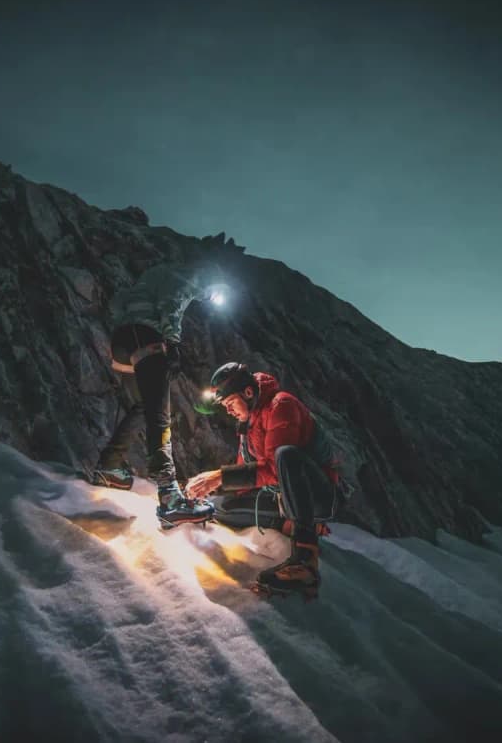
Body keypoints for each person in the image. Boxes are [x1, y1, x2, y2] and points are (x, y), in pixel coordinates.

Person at [90, 255, 232, 529]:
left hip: (122, 342)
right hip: (147, 338)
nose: (209, 296)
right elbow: (174, 301)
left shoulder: (154, 275)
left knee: (144, 406)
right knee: (160, 415)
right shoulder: (190, 273)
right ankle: (169, 497)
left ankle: (109, 466)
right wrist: (172, 341)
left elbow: (118, 302)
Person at [186, 362, 347, 599]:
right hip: (282, 496)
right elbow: (246, 473)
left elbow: (274, 469)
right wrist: (209, 486)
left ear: (248, 393)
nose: (228, 411)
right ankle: (286, 524)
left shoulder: (281, 405)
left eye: (230, 403)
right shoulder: (249, 426)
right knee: (221, 506)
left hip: (318, 494)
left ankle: (305, 560)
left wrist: (220, 476)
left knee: (286, 455)